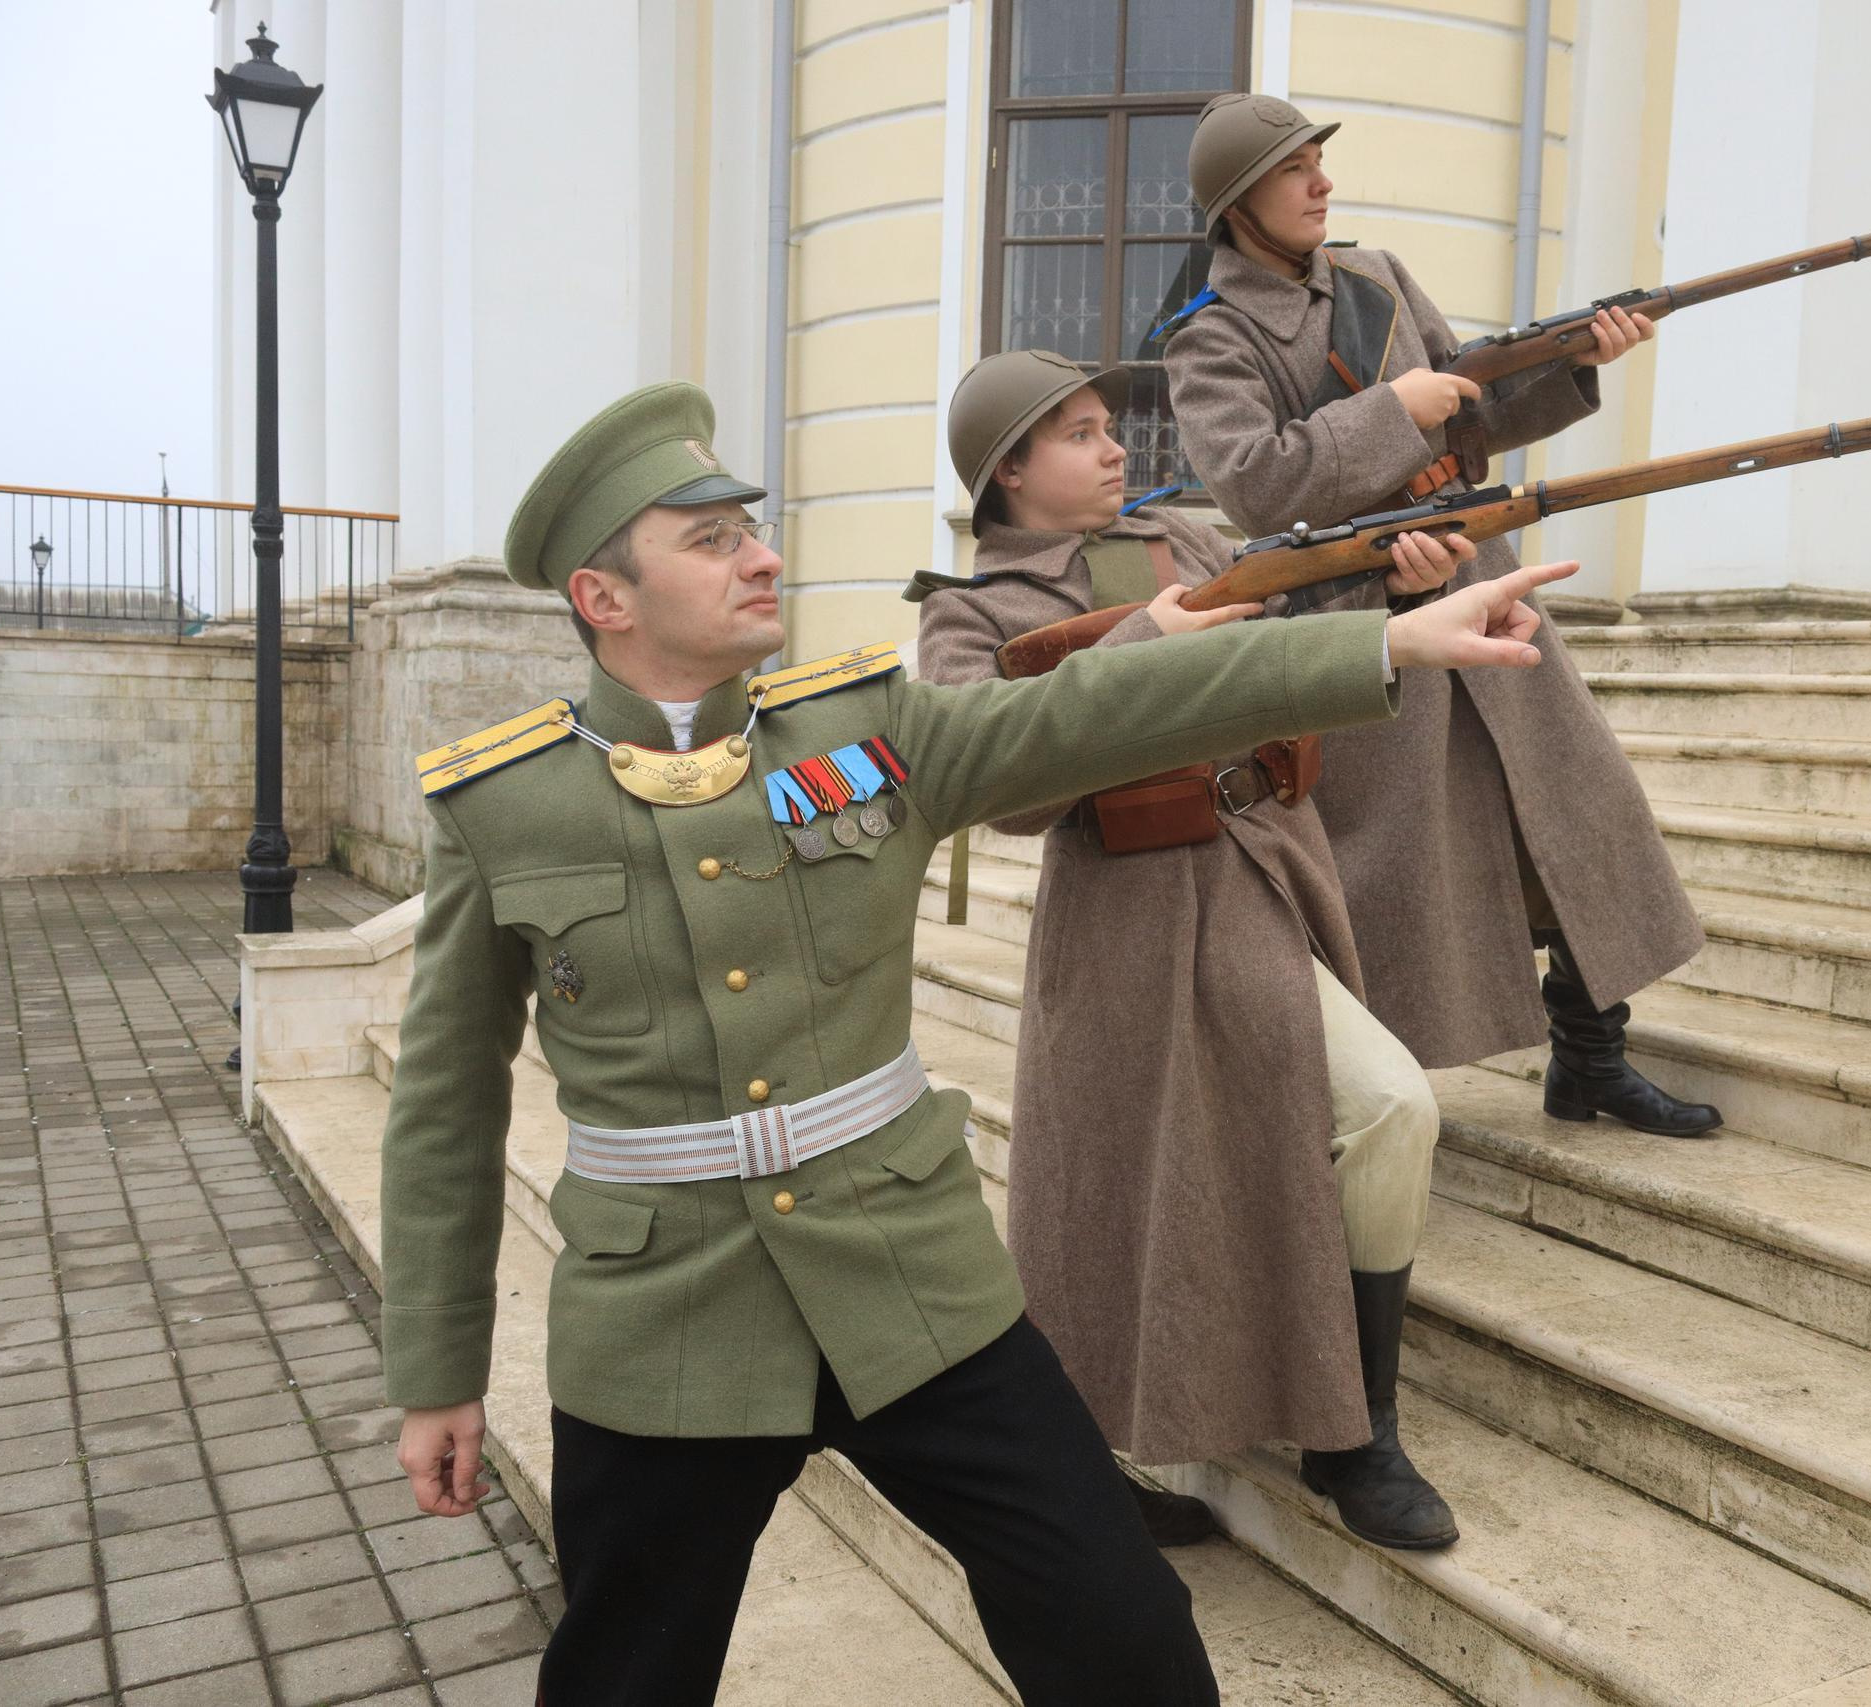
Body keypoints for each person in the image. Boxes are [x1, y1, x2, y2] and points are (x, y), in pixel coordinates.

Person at [381, 379, 1576, 1706]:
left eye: (751, 528)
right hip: (670, 1316)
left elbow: (1104, 712)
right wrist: (437, 1370)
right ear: (605, 598)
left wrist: (1388, 648)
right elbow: (443, 1108)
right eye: (711, 540)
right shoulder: (502, 808)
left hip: (914, 1280)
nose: (763, 552)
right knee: (626, 1676)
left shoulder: (866, 730)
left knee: (1128, 1635)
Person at [913, 348, 1501, 1551]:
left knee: (1382, 1108)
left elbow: (1299, 635)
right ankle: (1088, 1466)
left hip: (1264, 866)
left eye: (1102, 424)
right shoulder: (966, 609)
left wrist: (1398, 593)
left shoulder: (1188, 536)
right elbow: (988, 782)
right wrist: (1142, 637)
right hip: (1127, 912)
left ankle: (1355, 1431)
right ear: (1008, 471)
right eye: (1076, 432)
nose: (1114, 443)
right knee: (1117, 1198)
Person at [1162, 93, 1723, 1137]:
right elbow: (1254, 488)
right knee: (1390, 873)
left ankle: (1591, 1058)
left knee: (1566, 811)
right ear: (1239, 201)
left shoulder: (1378, 280)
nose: (1322, 182)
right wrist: (1393, 415)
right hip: (1357, 626)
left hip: (1474, 575)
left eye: (1319, 163)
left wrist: (1574, 362)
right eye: (1295, 169)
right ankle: (1345, 1107)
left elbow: (1479, 411)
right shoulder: (1211, 339)